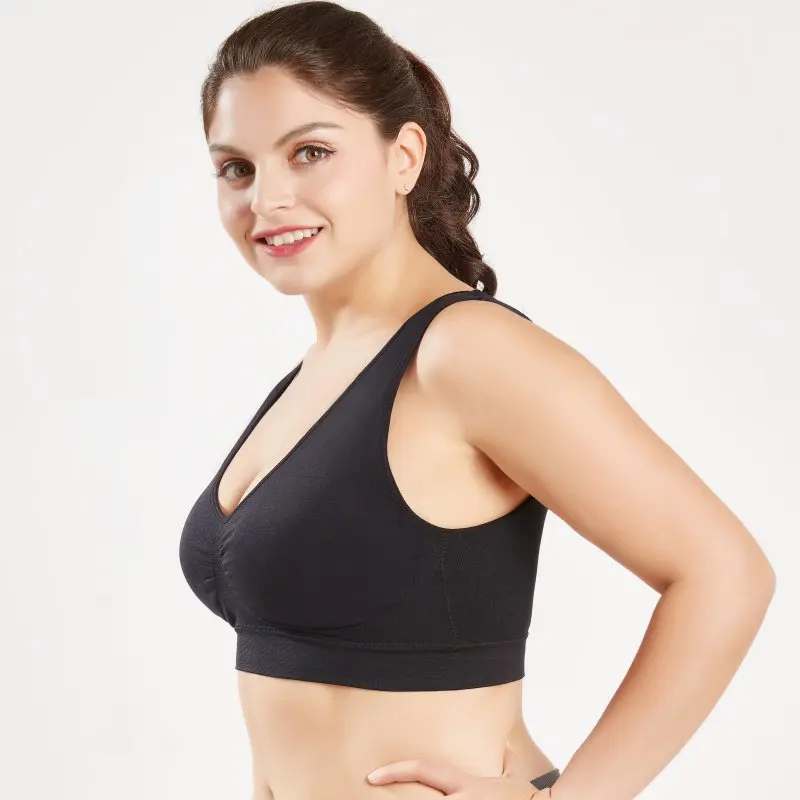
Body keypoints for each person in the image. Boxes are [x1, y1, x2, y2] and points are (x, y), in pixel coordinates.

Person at [178, 3, 776, 799]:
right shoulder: (318, 374)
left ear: (403, 157)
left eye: (310, 153)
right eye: (236, 168)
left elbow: (725, 573)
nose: (268, 198)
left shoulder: (464, 352)